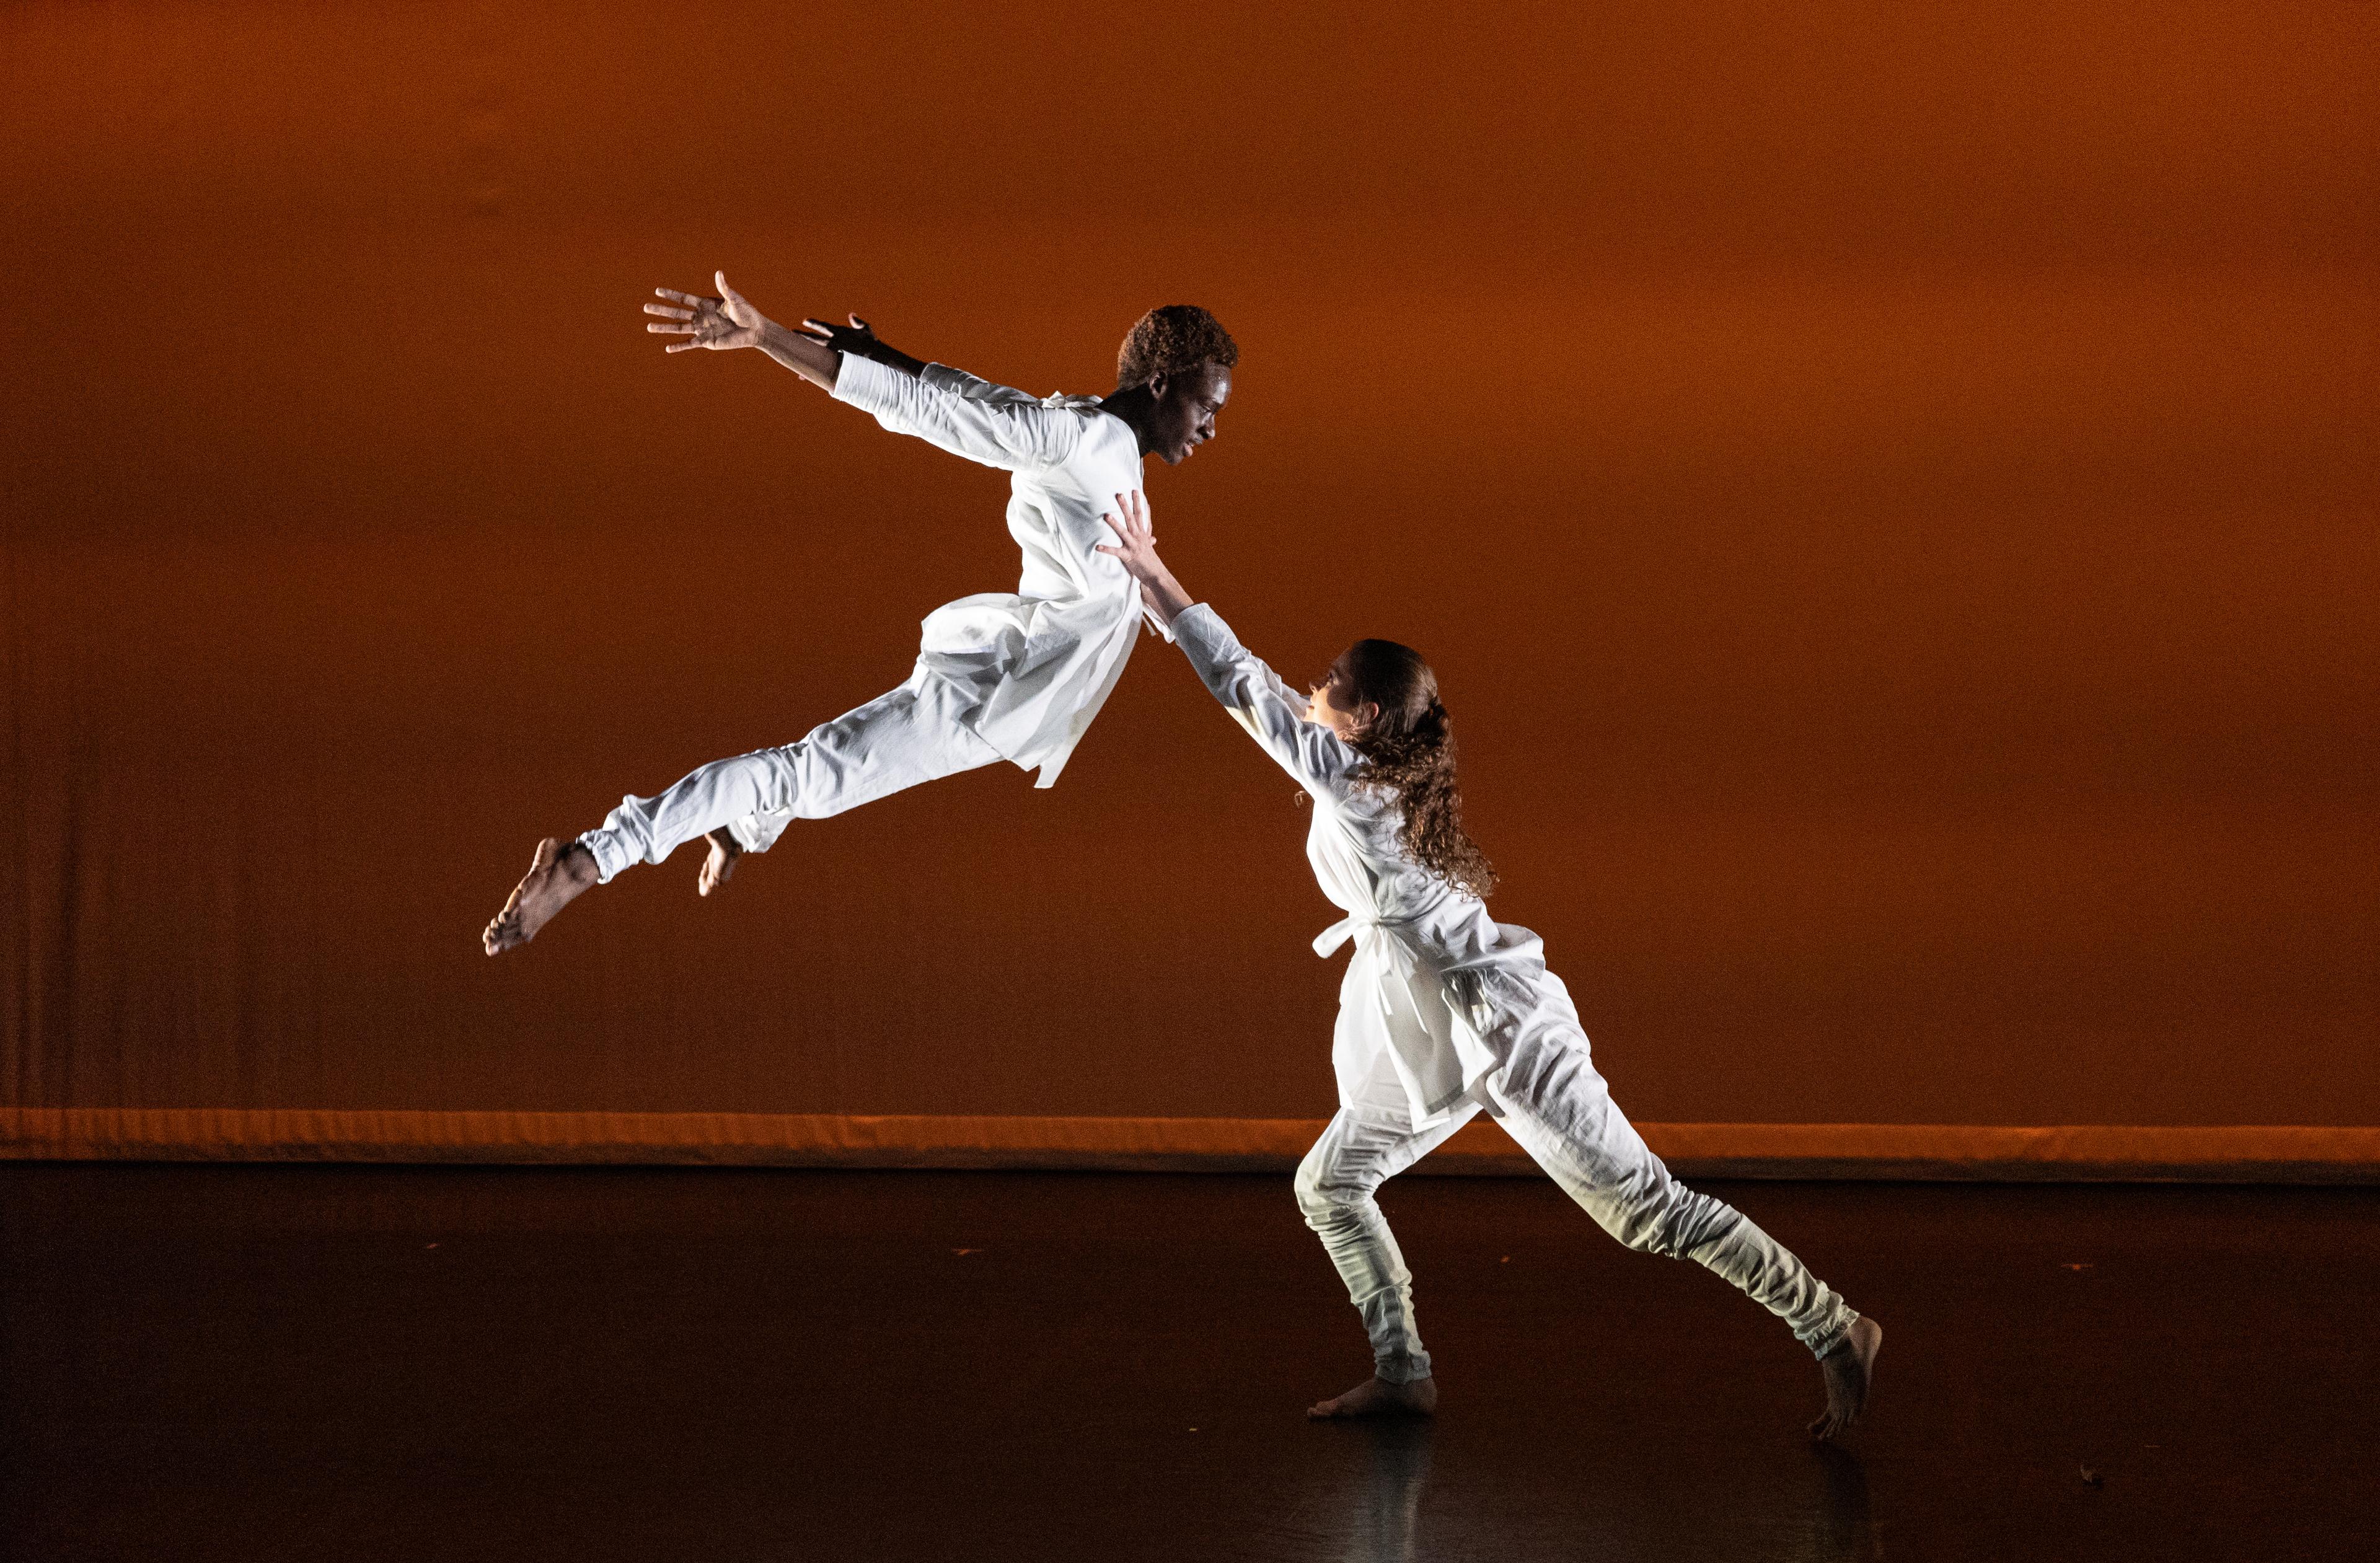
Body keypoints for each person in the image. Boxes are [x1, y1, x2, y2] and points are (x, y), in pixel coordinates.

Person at [1093, 490, 1882, 1437]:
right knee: (1329, 1185)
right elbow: (1252, 686)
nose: (1312, 687)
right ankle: (1403, 1371)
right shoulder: (1368, 776)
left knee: (1646, 1210)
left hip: (1502, 1025)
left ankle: (1834, 1327)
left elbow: (1246, 690)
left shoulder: (1357, 785)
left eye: (1329, 680)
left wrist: (1162, 580)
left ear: (1365, 712)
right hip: (1423, 1023)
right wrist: (1141, 598)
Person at [482, 276, 1236, 954]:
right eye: (1207, 406)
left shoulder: (1085, 429)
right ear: (1163, 384)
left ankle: (742, 823)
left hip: (1007, 684)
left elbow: (970, 394)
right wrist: (769, 338)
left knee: (806, 776)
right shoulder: (1078, 439)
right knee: (808, 773)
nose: (1210, 428)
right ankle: (587, 858)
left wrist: (886, 353)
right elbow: (934, 414)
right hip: (990, 695)